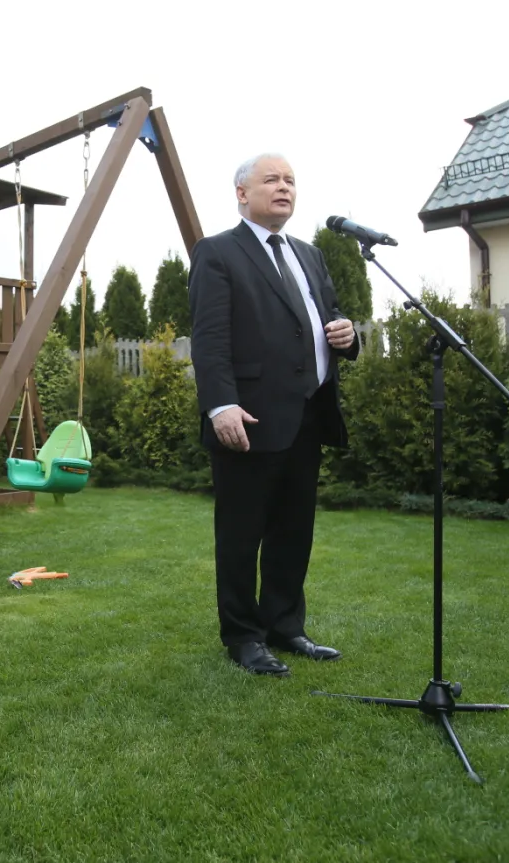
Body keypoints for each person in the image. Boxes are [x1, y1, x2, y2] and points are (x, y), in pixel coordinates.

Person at [188, 154, 360, 677]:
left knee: (293, 531)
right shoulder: (218, 252)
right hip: (249, 418)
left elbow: (327, 317)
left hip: (308, 413)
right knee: (241, 535)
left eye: (290, 180)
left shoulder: (309, 254)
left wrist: (347, 334)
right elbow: (209, 338)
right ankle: (243, 637)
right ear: (242, 193)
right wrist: (220, 405)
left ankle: (285, 626)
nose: (284, 187)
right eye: (272, 180)